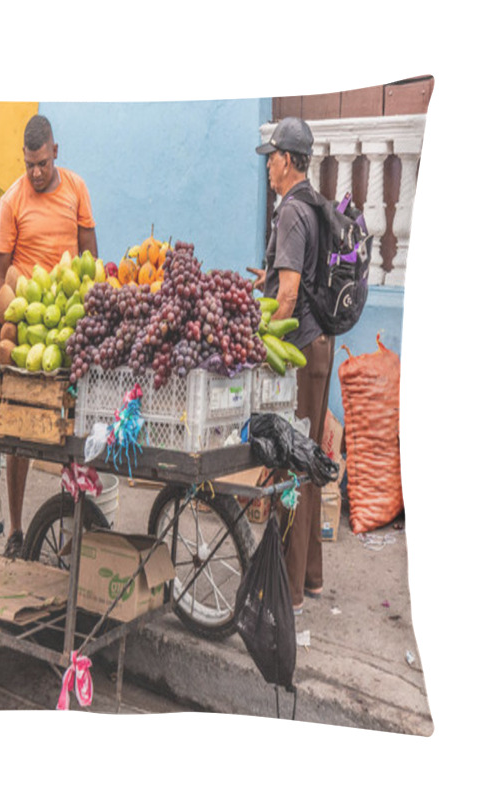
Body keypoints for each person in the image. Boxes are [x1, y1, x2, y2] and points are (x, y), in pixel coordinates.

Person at [0, 114, 97, 558]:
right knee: (20, 433)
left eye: (41, 162)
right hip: (32, 330)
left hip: (69, 327)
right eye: (28, 164)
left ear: (56, 150)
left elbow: (92, 256)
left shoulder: (76, 189)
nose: (35, 172)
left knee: (77, 432)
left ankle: (73, 528)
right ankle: (15, 529)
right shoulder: (12, 203)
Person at [248, 117, 334, 615]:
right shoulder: (316, 207)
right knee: (313, 458)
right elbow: (293, 276)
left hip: (299, 351)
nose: (267, 168)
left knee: (294, 463)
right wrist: (271, 275)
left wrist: (260, 342)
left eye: (271, 159)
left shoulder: (290, 213)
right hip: (320, 345)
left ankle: (291, 591)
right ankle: (314, 576)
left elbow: (287, 296)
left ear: (287, 160)